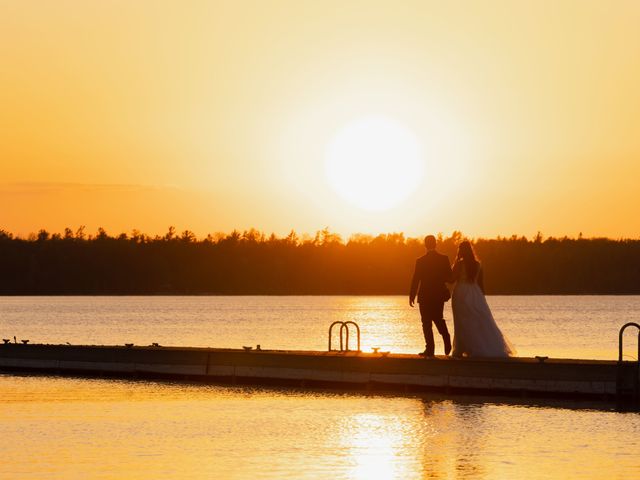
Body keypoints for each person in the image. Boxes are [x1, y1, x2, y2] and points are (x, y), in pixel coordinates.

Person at [451, 241, 515, 358]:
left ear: (461, 251)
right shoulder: (477, 264)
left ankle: (461, 348)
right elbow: (481, 284)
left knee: (461, 321)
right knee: (477, 320)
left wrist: (455, 262)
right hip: (475, 293)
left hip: (460, 292)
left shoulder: (459, 264)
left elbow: (452, 279)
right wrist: (481, 299)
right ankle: (476, 346)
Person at [409, 235, 453, 357]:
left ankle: (430, 349)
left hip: (424, 296)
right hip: (438, 295)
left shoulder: (420, 260)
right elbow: (450, 277)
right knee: (438, 318)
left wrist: (412, 295)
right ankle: (445, 336)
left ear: (425, 245)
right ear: (435, 244)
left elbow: (415, 279)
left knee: (426, 322)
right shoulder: (444, 259)